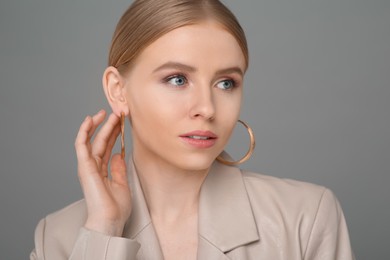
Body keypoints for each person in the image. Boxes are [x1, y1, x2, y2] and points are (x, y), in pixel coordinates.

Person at [30, 0, 355, 259]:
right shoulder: (58, 238)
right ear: (118, 90)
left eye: (226, 83)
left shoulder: (305, 219)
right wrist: (103, 231)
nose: (208, 108)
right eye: (177, 79)